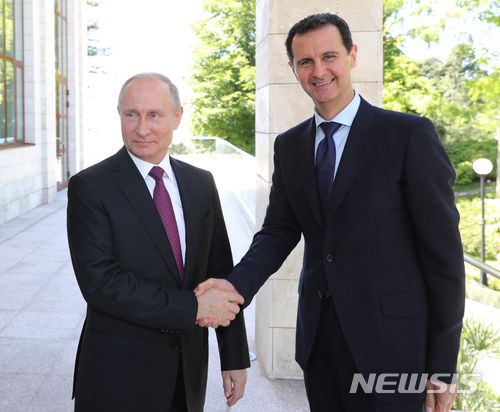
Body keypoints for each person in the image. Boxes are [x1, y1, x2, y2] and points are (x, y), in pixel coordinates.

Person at [196, 13, 465, 412]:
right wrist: (236, 286)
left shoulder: (407, 136)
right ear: (293, 68)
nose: (319, 71)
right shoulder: (290, 146)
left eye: (329, 56)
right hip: (320, 343)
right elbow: (278, 232)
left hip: (392, 349)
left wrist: (442, 366)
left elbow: (444, 259)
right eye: (305, 61)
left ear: (352, 55)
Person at [67, 72, 249, 412]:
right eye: (131, 114)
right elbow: (101, 284)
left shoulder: (201, 183)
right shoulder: (90, 187)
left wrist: (234, 357)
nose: (142, 128)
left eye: (154, 115)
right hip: (117, 375)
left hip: (187, 372)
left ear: (178, 117)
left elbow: (220, 272)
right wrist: (192, 307)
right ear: (119, 115)